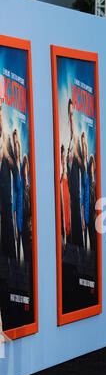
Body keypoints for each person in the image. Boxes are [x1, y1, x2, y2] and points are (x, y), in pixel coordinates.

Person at [0, 97, 16, 260]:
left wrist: (6, 153)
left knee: (6, 222)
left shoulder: (7, 139)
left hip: (5, 196)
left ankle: (10, 258)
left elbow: (15, 167)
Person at [67, 99, 83, 247]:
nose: (72, 118)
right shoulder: (69, 146)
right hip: (71, 212)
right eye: (70, 115)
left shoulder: (81, 146)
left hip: (80, 212)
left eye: (74, 115)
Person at [12, 130, 24, 262]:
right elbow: (14, 198)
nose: (16, 147)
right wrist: (15, 224)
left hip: (26, 216)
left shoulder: (23, 166)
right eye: (14, 145)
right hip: (18, 217)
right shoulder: (14, 168)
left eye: (17, 143)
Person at [60, 145, 71, 251]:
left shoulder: (70, 179)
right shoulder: (59, 183)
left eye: (64, 158)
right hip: (64, 233)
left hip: (72, 229)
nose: (63, 161)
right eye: (61, 158)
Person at [80, 132, 90, 249]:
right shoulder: (80, 168)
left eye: (84, 146)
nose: (84, 149)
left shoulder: (90, 165)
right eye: (82, 146)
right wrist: (82, 217)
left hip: (92, 211)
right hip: (84, 212)